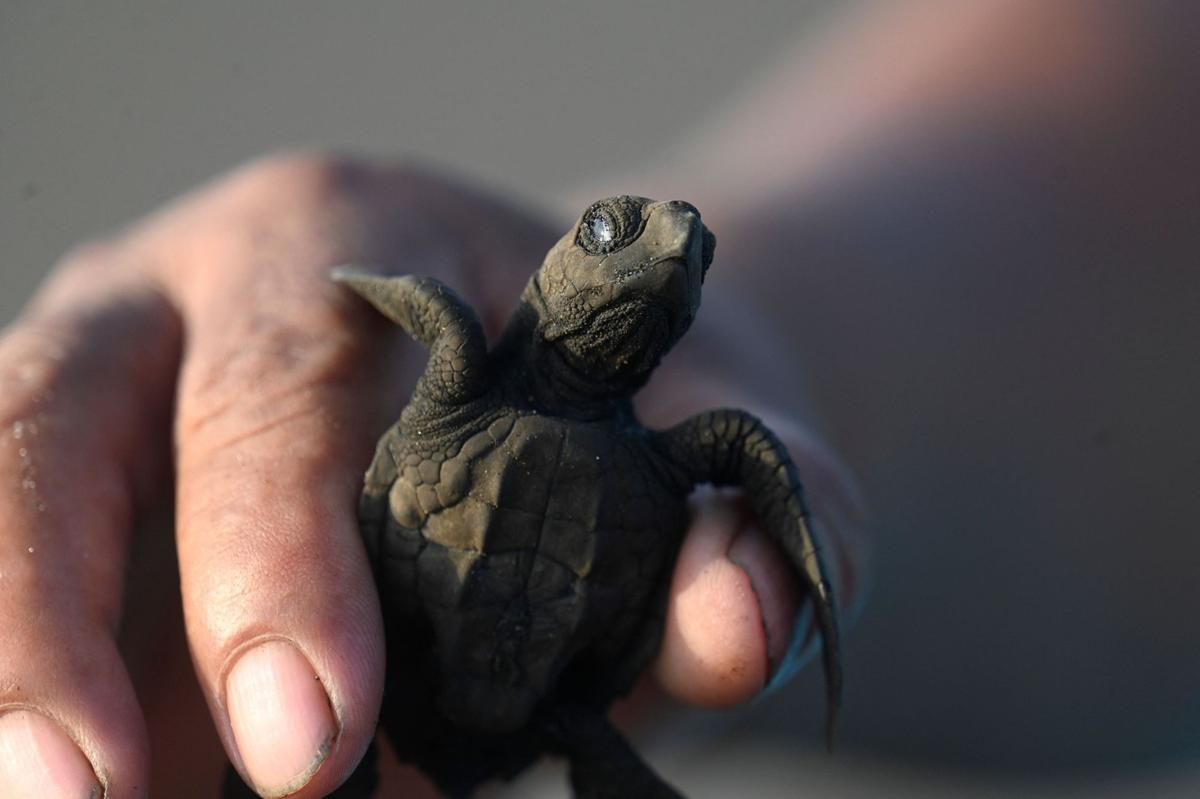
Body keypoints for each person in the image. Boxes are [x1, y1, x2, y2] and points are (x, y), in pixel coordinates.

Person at [4, 1, 1198, 797]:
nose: (667, 242)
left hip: (558, 711)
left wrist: (811, 446)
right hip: (406, 685)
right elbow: (411, 305)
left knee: (599, 727)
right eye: (622, 229)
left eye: (692, 256)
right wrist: (304, 297)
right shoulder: (466, 373)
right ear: (556, 272)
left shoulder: (685, 452)